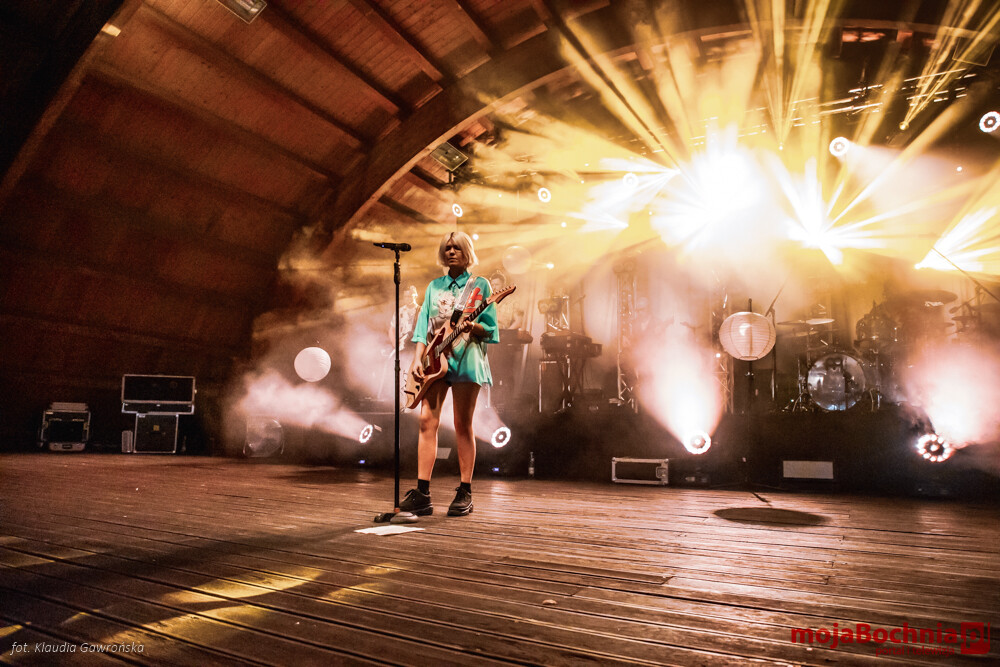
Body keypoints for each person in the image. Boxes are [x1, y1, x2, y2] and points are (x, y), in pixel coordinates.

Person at [400, 231, 499, 516]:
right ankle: (422, 493)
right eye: (447, 247)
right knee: (426, 421)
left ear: (467, 252)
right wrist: (417, 359)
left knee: (462, 424)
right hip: (435, 360)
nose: (451, 251)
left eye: (456, 247)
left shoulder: (479, 285)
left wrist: (473, 327)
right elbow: (423, 328)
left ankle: (465, 491)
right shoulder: (434, 286)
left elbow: (490, 328)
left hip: (468, 358)